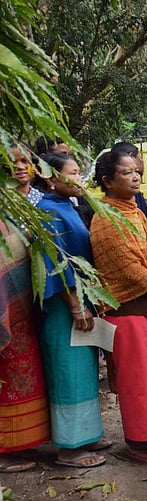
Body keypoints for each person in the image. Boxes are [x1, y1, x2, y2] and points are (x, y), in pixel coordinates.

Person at [90, 149, 147, 465]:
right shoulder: (105, 218)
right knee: (139, 379)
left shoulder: (134, 210)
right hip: (127, 308)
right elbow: (126, 267)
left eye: (137, 172)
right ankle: (142, 443)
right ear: (107, 180)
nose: (135, 178)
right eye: (127, 173)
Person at [35, 154, 108, 468]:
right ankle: (69, 447)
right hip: (66, 305)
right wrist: (75, 305)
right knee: (69, 372)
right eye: (73, 173)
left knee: (85, 369)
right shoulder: (48, 211)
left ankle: (87, 433)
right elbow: (55, 264)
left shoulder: (68, 207)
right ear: (52, 179)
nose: (80, 178)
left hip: (82, 298)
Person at [0, 149, 51, 472]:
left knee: (30, 368)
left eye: (24, 162)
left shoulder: (39, 199)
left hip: (33, 300)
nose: (20, 168)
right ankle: (7, 447)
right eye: (11, 163)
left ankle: (27, 441)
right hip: (7, 301)